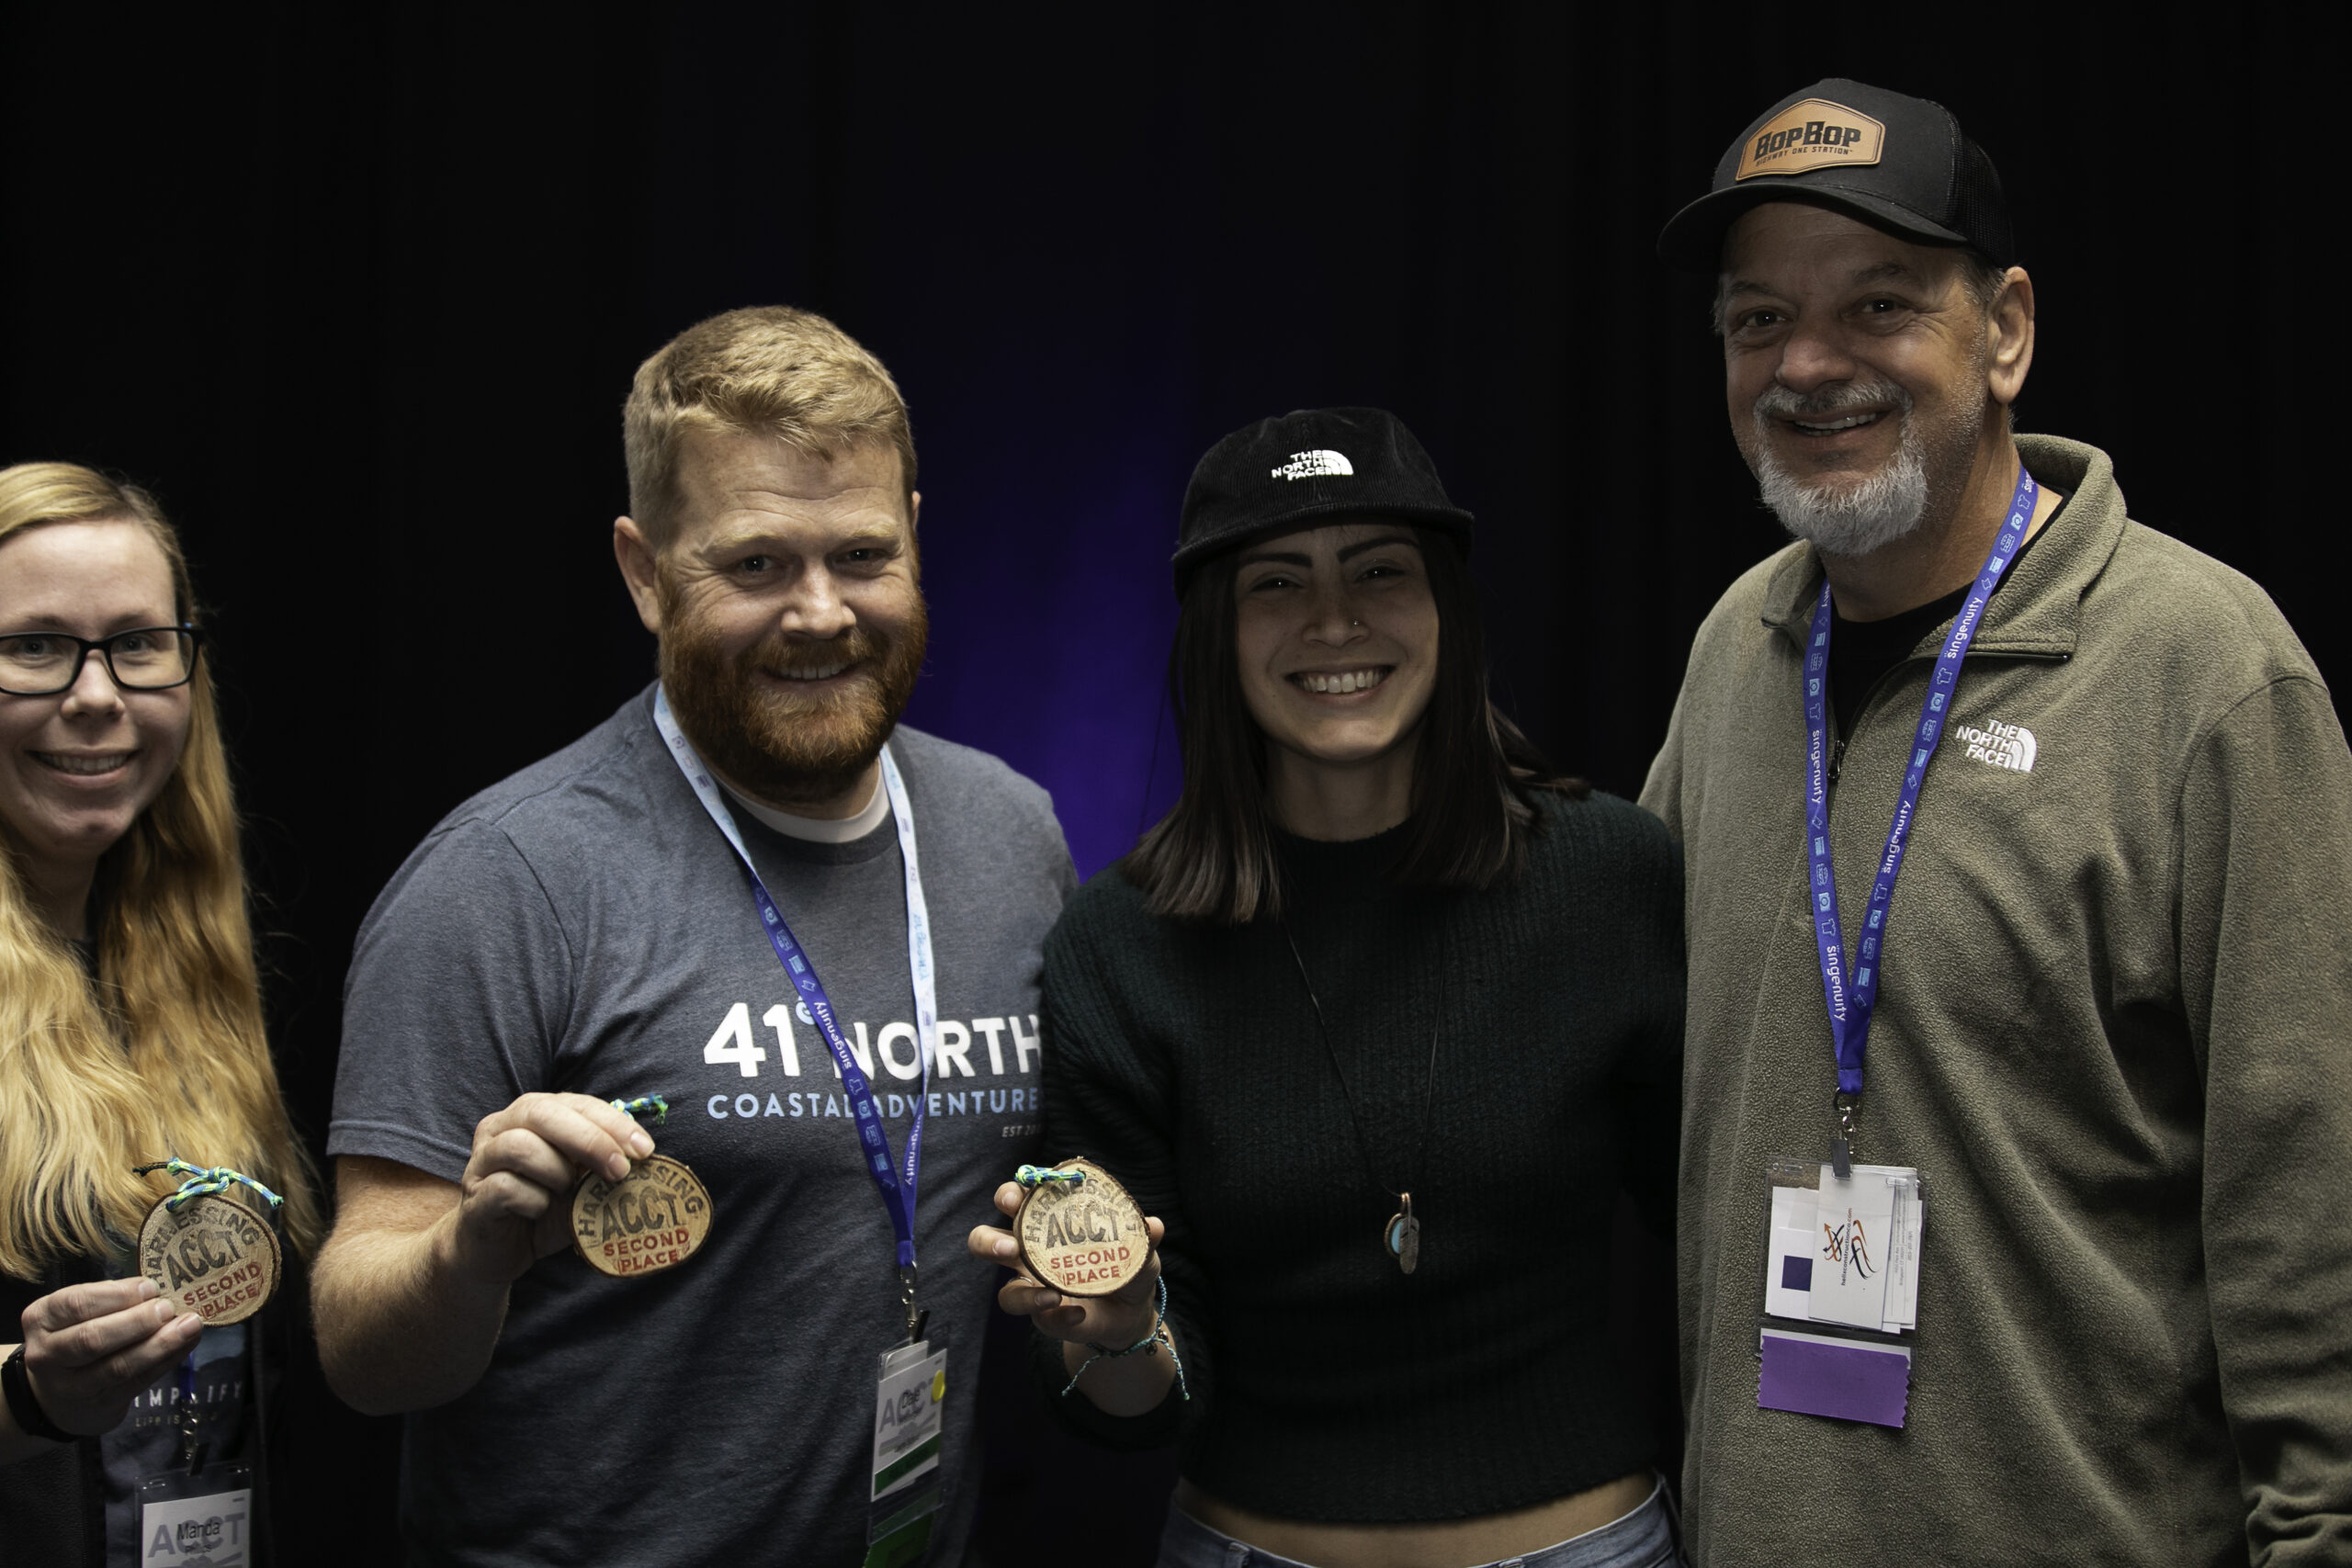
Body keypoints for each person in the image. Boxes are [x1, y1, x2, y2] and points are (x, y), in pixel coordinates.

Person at [1642, 79, 2352, 1566]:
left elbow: (2312, 1222)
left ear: (2007, 329)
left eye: (1879, 303)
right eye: (1758, 318)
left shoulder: (2203, 671)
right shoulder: (1733, 649)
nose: (1808, 364)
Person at [311, 305, 1074, 1566]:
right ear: (645, 568)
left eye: (863, 555)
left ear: (918, 541)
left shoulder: (1011, 832)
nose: (822, 613)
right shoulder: (506, 877)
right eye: (757, 563)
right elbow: (359, 1350)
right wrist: (472, 1245)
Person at [969, 408, 1687, 1568]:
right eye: (1277, 584)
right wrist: (1115, 1331)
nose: (1334, 621)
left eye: (1380, 573)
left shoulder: (1615, 878)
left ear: (1447, 605)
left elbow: (1715, 1234)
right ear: (1214, 632)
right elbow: (1131, 1412)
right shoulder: (1121, 943)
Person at [0, 462, 323, 1563]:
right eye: (34, 647)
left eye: (137, 645)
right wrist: (24, 1391)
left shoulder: (186, 972)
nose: (96, 695)